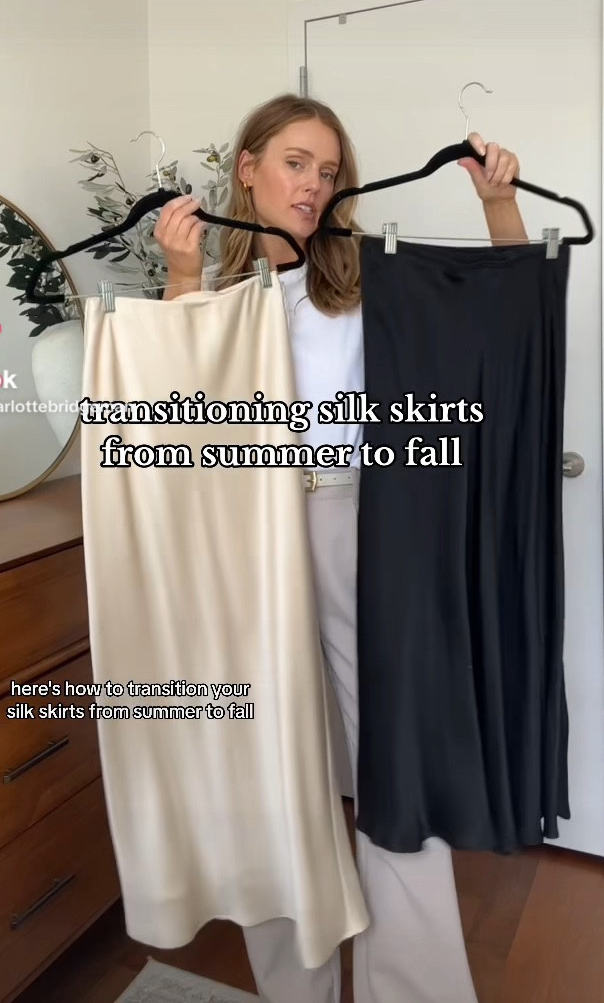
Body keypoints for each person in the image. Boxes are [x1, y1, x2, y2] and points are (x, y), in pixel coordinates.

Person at [154, 92, 528, 1003]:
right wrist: (181, 276)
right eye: (295, 163)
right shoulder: (219, 294)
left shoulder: (368, 277)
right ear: (247, 167)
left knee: (392, 765)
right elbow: (173, 422)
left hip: (358, 522)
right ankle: (296, 989)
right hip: (247, 539)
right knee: (267, 773)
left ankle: (419, 991)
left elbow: (506, 312)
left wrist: (498, 206)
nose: (313, 186)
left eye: (328, 172)